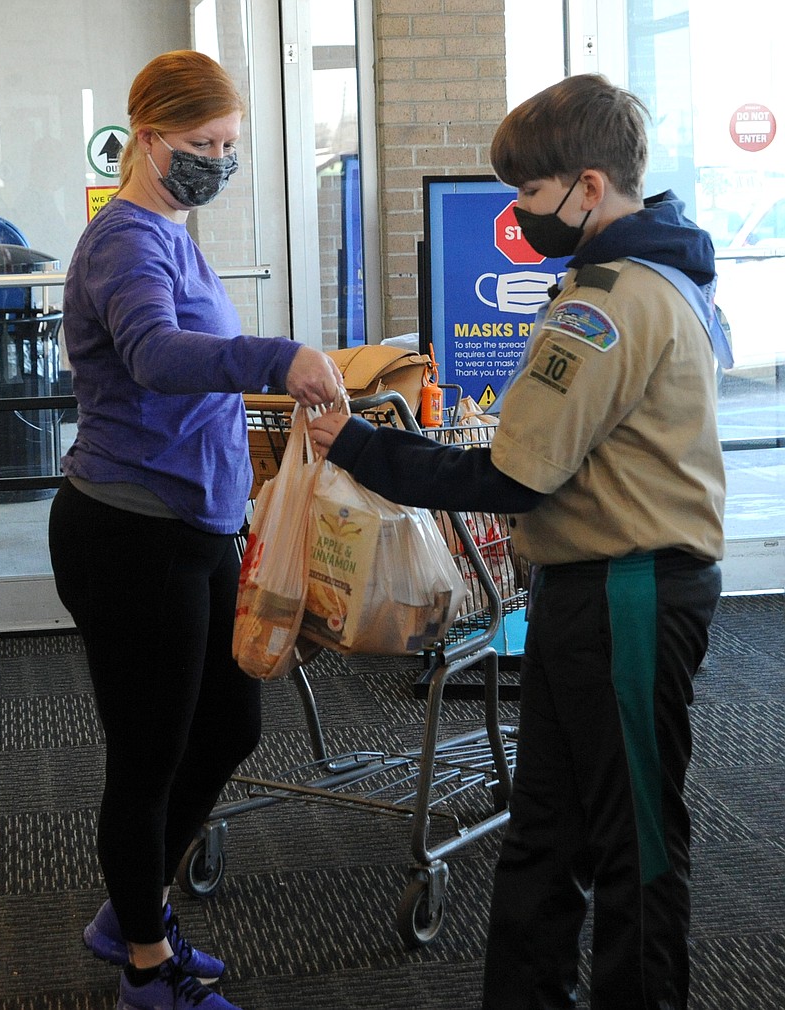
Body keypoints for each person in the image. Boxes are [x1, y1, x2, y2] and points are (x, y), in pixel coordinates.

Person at [310, 74, 725, 1010]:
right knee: (547, 827)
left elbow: (512, 475)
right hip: (599, 588)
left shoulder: (607, 300)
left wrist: (361, 446)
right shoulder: (664, 271)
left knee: (633, 841)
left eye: (531, 195)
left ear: (588, 185)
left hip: (629, 589)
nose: (519, 214)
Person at [48, 50, 340, 1010]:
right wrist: (280, 355)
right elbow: (160, 356)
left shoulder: (170, 226)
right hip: (130, 532)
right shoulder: (126, 240)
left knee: (230, 723)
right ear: (147, 135)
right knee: (150, 753)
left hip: (195, 525)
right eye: (201, 143)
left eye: (229, 145)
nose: (218, 160)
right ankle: (144, 963)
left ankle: (131, 910)